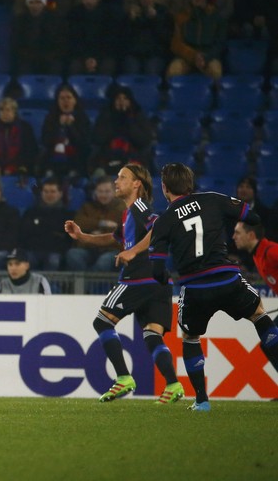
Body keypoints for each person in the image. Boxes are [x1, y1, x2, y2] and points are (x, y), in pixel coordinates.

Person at [148, 162, 278, 411]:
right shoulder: (212, 199)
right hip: (226, 279)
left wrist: (166, 279)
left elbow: (156, 269)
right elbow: (253, 217)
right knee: (259, 315)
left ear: (164, 188)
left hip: (195, 288)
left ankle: (201, 401)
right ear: (190, 183)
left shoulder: (163, 221)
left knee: (190, 337)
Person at [64, 164, 183, 403]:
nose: (116, 181)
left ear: (137, 183)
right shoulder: (129, 213)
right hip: (160, 281)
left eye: (122, 177)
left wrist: (133, 252)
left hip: (139, 277)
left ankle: (123, 377)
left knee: (102, 321)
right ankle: (173, 384)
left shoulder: (139, 207)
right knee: (152, 335)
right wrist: (82, 236)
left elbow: (158, 228)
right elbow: (114, 238)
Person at [165, 0, 227, 81]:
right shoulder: (182, 16)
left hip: (208, 56)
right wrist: (193, 56)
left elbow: (220, 43)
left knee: (215, 70)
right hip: (187, 57)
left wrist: (205, 57)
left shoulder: (216, 17)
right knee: (173, 70)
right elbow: (176, 44)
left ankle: (216, 96)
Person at [90, 86, 153, 177]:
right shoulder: (105, 116)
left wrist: (129, 121)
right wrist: (114, 120)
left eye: (125, 98)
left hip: (132, 159)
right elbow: (98, 138)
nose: (121, 101)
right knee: (99, 175)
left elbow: (144, 140)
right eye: (118, 99)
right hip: (107, 159)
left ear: (130, 101)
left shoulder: (137, 116)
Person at [65, 176, 125, 272]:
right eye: (100, 191)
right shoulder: (87, 207)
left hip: (112, 250)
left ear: (114, 192)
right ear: (95, 192)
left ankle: (87, 286)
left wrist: (97, 234)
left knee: (103, 262)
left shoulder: (122, 208)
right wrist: (101, 223)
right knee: (73, 254)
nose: (103, 195)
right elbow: (78, 223)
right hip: (89, 248)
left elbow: (122, 233)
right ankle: (83, 285)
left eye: (107, 191)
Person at [10, 0, 67, 76]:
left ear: (43, 4)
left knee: (56, 66)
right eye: (31, 2)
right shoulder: (20, 21)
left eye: (38, 2)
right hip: (28, 58)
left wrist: (47, 56)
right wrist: (30, 56)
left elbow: (60, 43)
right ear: (27, 4)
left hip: (50, 58)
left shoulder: (55, 19)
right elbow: (16, 43)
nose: (35, 6)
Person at [18, 177, 73, 271]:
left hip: (56, 251)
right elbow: (24, 233)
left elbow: (68, 239)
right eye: (46, 191)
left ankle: (49, 286)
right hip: (33, 250)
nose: (49, 195)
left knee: (53, 260)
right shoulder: (30, 213)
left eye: (52, 191)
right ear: (41, 193)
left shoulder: (68, 215)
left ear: (60, 194)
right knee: (27, 259)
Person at [120, 0, 174, 76]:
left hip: (155, 54)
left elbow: (166, 37)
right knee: (131, 72)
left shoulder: (163, 12)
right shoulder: (131, 13)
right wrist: (131, 21)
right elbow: (124, 37)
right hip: (134, 54)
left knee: (151, 71)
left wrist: (155, 19)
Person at [39, 84, 92, 179]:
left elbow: (84, 145)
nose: (65, 101)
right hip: (52, 163)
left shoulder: (82, 118)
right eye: (62, 98)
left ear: (75, 100)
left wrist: (71, 126)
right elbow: (46, 142)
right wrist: (59, 125)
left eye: (69, 97)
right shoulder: (51, 118)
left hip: (75, 163)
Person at [0, 97, 39, 177]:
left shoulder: (25, 127)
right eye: (1, 110)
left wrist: (13, 167)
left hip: (20, 167)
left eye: (8, 110)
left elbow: (31, 151)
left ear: (14, 112)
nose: (4, 113)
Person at [66, 0, 118, 76]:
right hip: (81, 56)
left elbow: (109, 41)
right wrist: (86, 59)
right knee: (74, 67)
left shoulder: (108, 15)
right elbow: (74, 41)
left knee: (108, 65)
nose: (88, 1)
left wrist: (96, 59)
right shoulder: (74, 14)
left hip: (103, 55)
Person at [233, 220, 278, 297]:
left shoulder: (271, 251)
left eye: (238, 233)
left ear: (251, 235)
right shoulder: (257, 256)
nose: (234, 237)